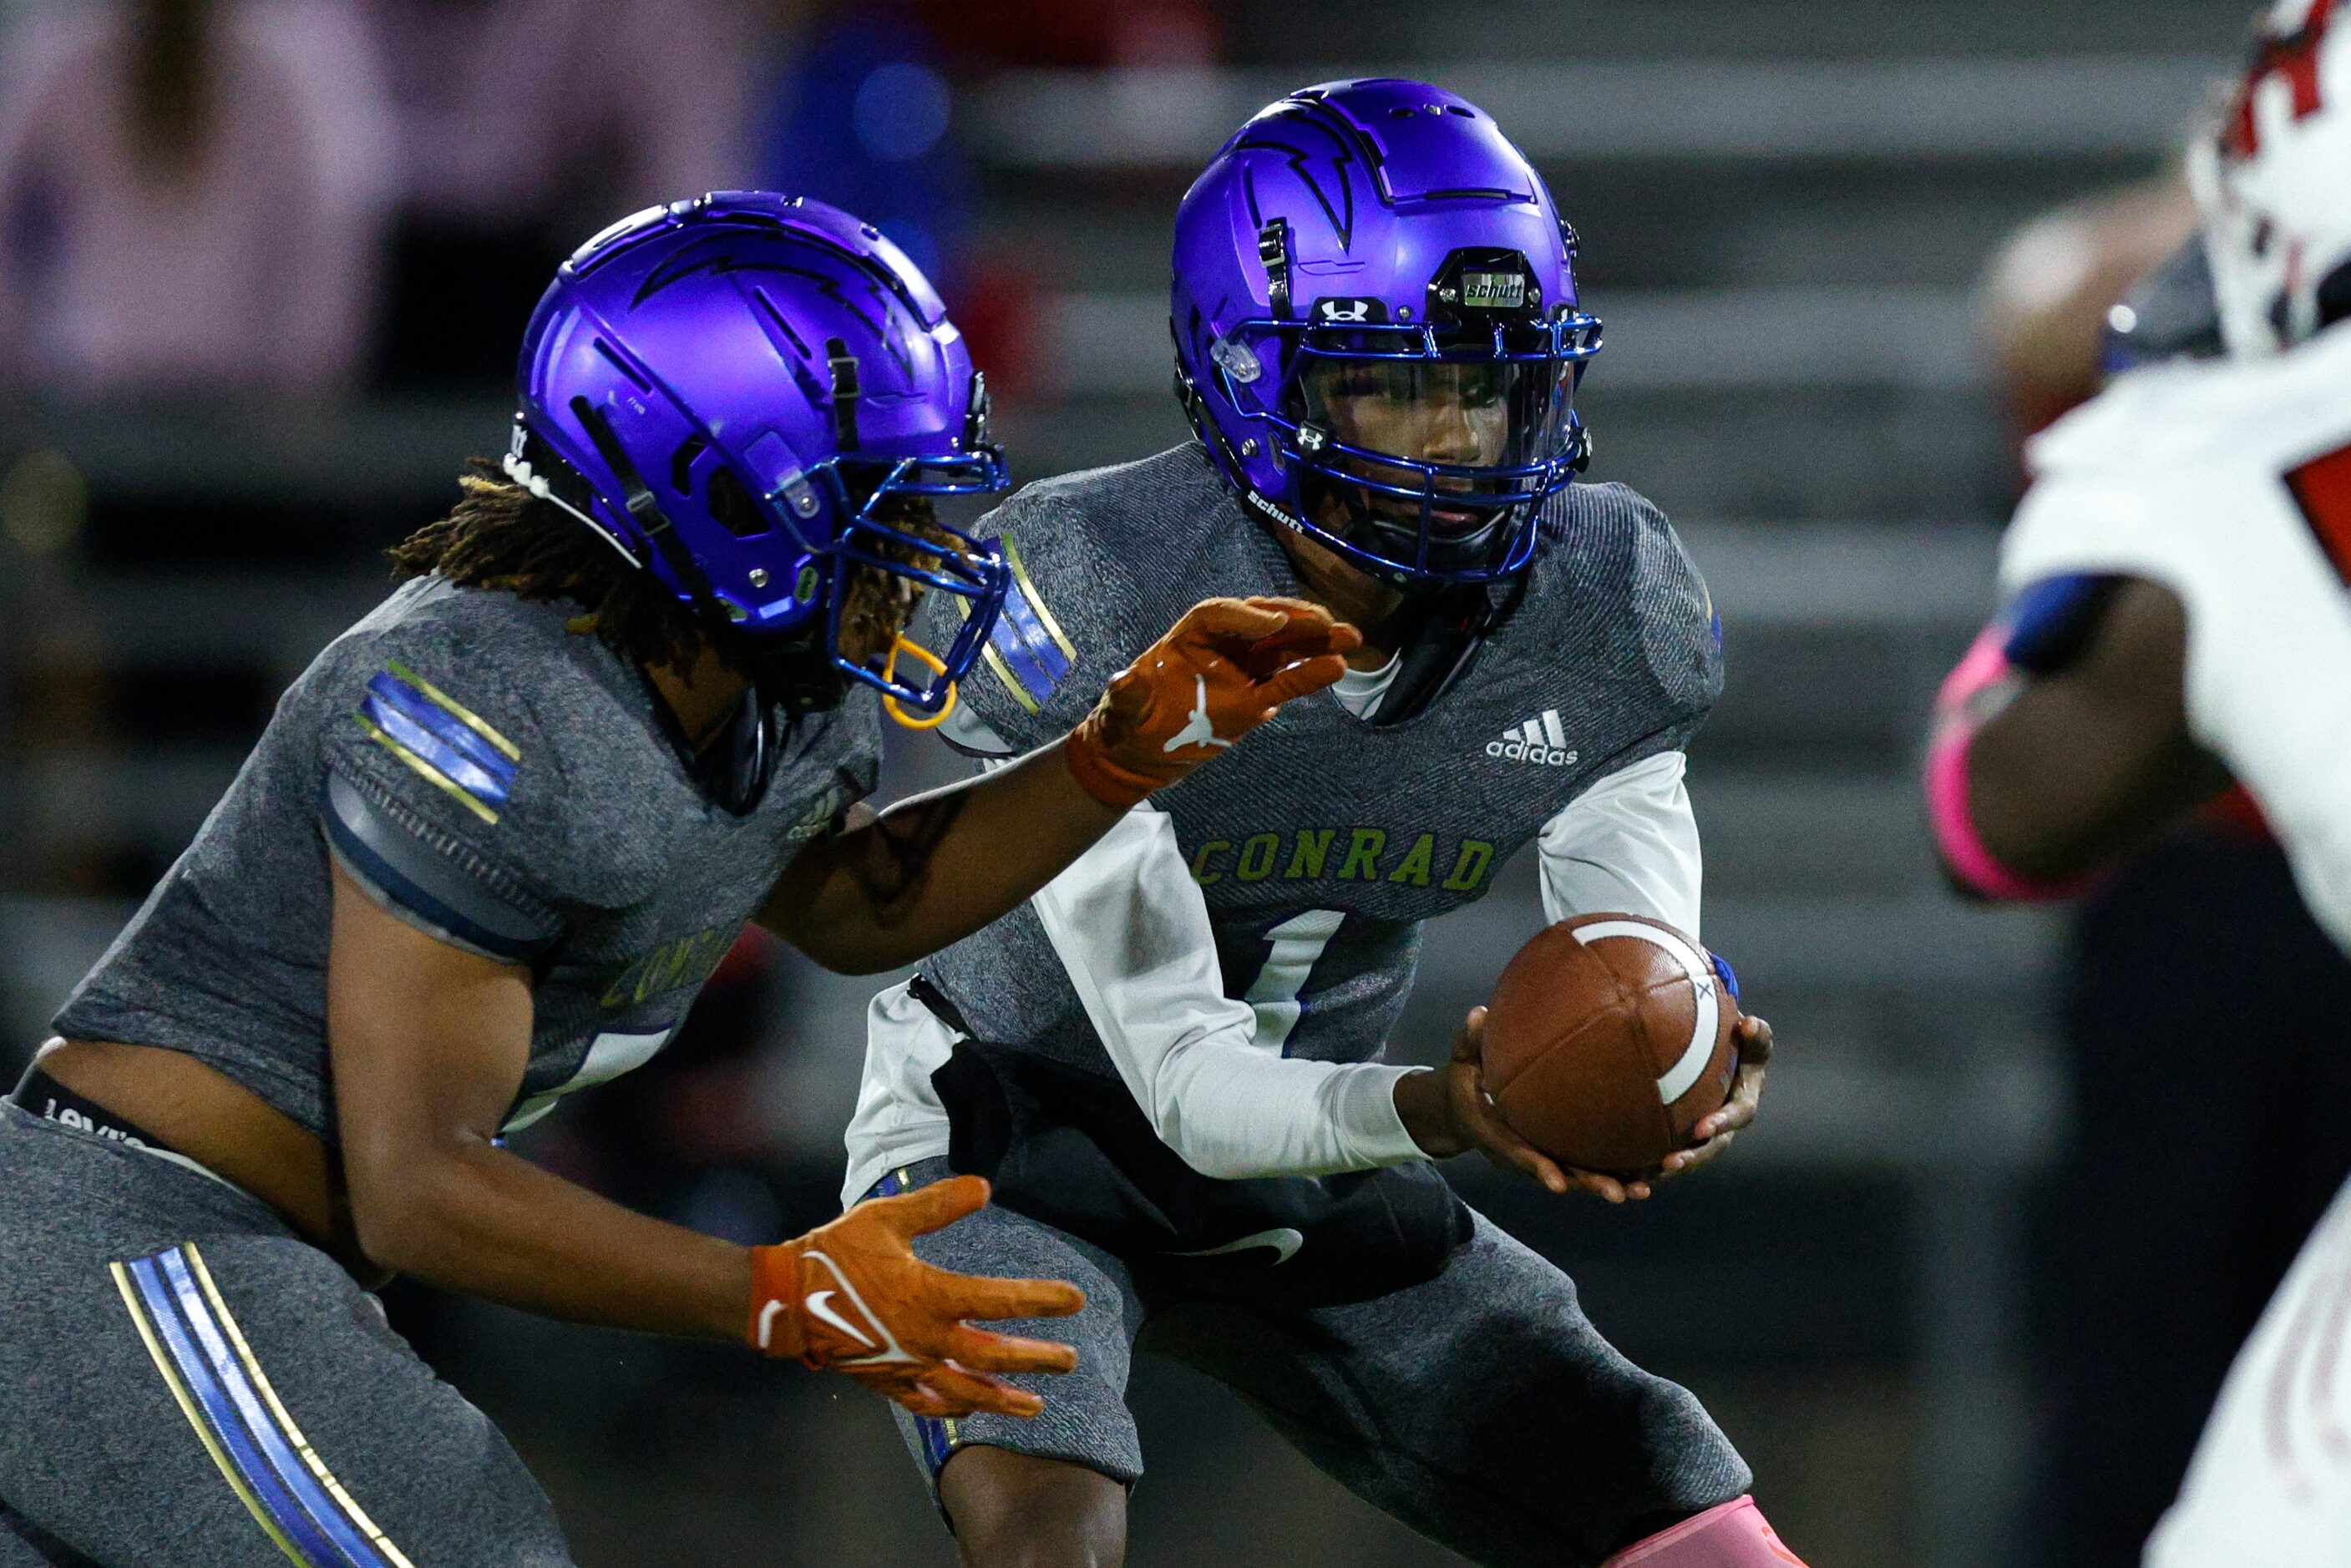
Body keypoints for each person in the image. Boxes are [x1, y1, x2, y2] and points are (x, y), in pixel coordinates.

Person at [0, 191, 1355, 1565]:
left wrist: (1114, 757)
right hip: (131, 1231)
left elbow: (852, 901)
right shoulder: (480, 694)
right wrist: (775, 1289)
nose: (933, 550)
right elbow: (421, 1181)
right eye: (881, 501)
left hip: (224, 1260)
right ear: (720, 488)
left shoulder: (765, 685)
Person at [845, 81, 1801, 1568]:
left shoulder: (1599, 597)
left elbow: (1633, 941)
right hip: (1017, 1128)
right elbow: (1178, 1085)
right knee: (1049, 1541)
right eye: (1390, 386)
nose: (1451, 442)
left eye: (1486, 387)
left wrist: (1682, 1034)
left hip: (1315, 1155)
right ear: (1252, 379)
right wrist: (1442, 1107)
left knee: (1686, 1521)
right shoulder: (1098, 583)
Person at [1928, 3, 2351, 1561]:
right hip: (2223, 900)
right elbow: (2045, 312)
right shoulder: (2210, 400)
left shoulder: (2212, 455)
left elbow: (1984, 810)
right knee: (2145, 1384)